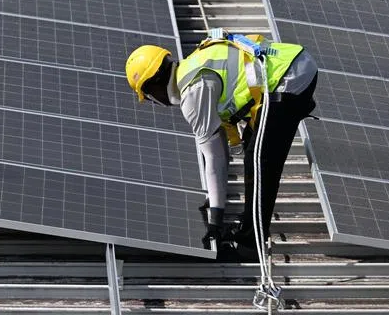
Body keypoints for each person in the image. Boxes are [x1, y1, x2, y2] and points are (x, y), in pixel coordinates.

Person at [125, 30, 318, 262]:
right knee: (253, 148)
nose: (153, 103)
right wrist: (215, 206)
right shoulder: (193, 65)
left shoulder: (193, 92)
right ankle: (250, 226)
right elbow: (220, 151)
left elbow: (214, 157)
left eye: (147, 97)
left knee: (259, 162)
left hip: (288, 79)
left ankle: (250, 245)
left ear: (153, 86)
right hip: (292, 68)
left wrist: (215, 219)